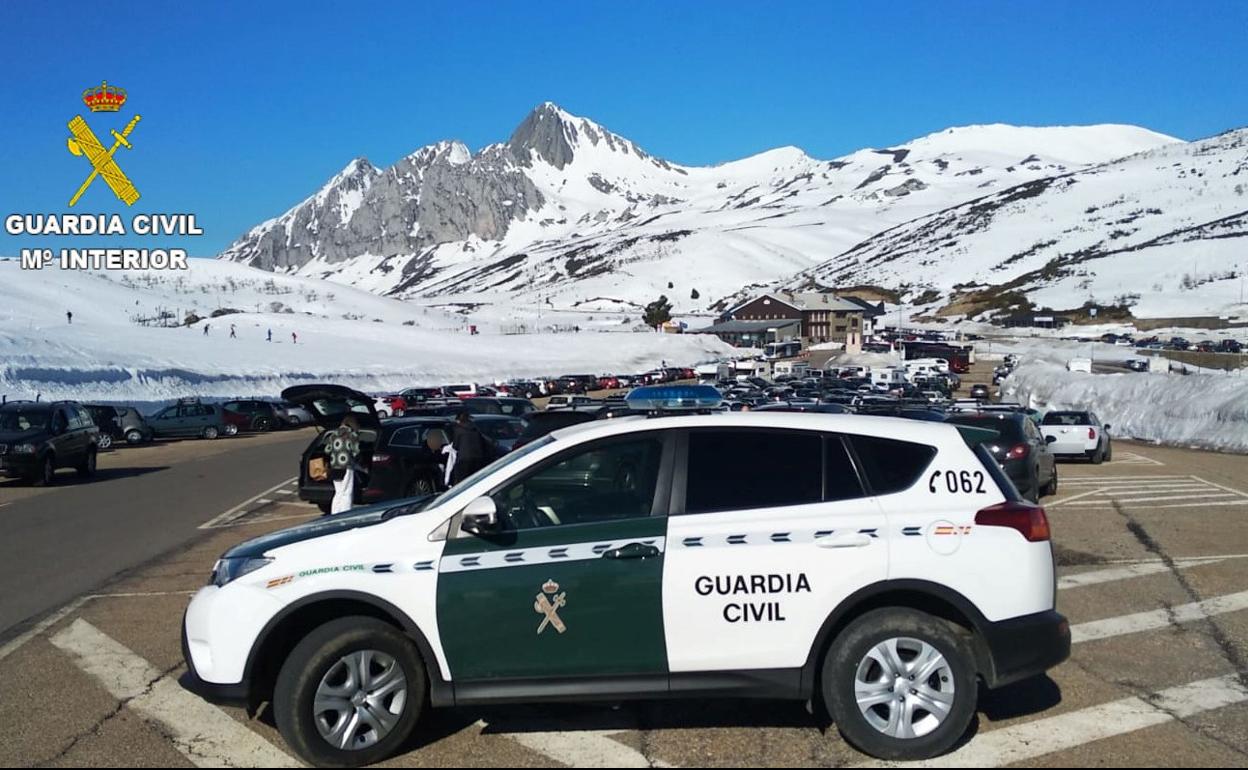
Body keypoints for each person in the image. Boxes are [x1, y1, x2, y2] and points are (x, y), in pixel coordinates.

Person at [326, 414, 362, 514]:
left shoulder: (333, 435)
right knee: (347, 492)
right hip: (346, 466)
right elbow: (356, 451)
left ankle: (335, 513)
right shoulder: (352, 435)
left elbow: (327, 450)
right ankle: (345, 513)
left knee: (338, 492)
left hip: (334, 466)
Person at [450, 411, 489, 485]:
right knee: (474, 480)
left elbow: (455, 446)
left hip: (463, 459)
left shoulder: (458, 430)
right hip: (478, 458)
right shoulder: (475, 429)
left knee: (461, 481)